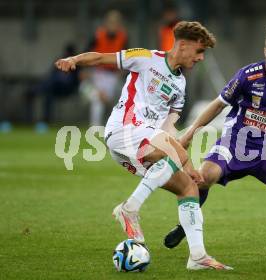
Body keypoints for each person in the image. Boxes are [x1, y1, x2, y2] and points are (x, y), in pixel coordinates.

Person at [55, 21, 232, 270]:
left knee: (189, 187)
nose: (201, 58)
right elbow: (100, 58)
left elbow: (169, 128)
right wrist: (75, 59)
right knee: (177, 156)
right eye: (199, 51)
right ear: (183, 45)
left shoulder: (180, 85)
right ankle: (130, 208)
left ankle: (197, 256)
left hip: (145, 143)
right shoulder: (146, 57)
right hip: (122, 130)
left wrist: (186, 164)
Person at [164, 27, 266, 259]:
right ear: (265, 50)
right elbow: (218, 104)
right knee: (205, 176)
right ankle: (184, 227)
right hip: (235, 143)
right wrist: (191, 133)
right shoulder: (247, 75)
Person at [83, 10, 128, 126]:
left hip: (113, 76)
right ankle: (95, 127)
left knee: (123, 97)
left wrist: (120, 74)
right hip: (96, 73)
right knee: (96, 97)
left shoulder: (122, 37)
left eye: (116, 22)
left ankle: (118, 127)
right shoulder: (98, 35)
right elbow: (86, 54)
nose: (113, 25)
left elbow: (127, 59)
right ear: (106, 23)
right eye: (111, 22)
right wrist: (85, 71)